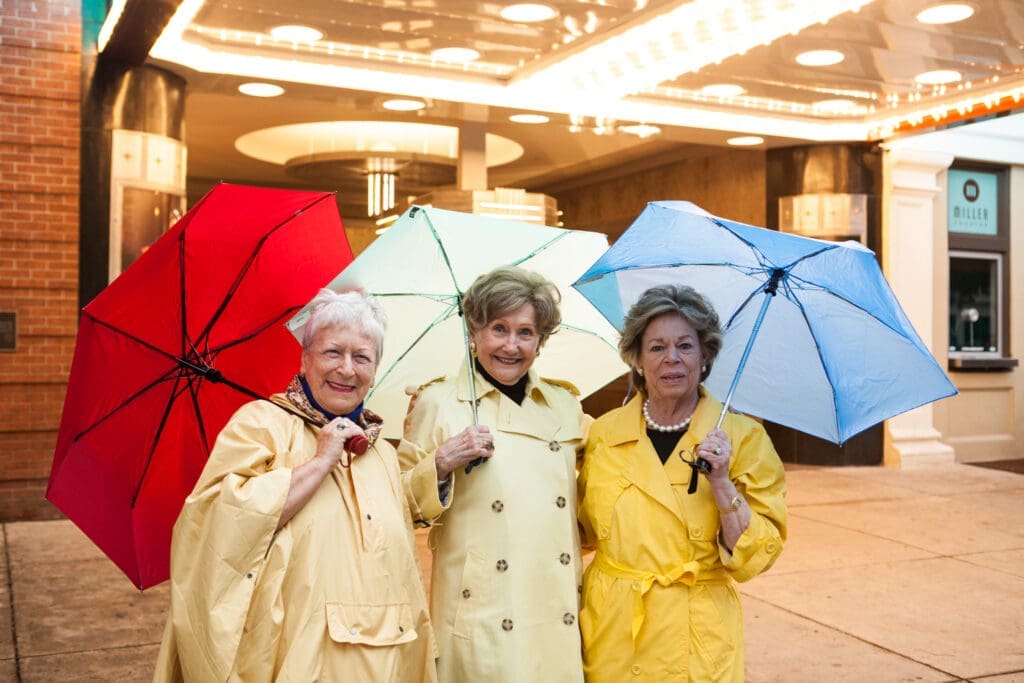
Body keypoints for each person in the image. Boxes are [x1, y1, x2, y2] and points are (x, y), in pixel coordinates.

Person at [153, 289, 437, 683]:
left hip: (387, 659)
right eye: (333, 352)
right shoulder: (259, 424)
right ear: (305, 359)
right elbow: (216, 524)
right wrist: (319, 463)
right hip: (296, 656)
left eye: (362, 357)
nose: (347, 369)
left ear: (375, 370)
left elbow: (400, 558)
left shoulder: (381, 451)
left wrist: (438, 467)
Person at [577, 284, 787, 682]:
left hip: (696, 636)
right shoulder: (604, 433)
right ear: (638, 358)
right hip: (612, 629)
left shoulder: (744, 438)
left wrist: (722, 483)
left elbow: (754, 557)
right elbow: (579, 531)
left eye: (685, 346)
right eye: (657, 347)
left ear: (704, 355)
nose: (671, 358)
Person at [399, 266, 588, 682]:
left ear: (541, 341)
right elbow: (399, 506)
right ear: (474, 331)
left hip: (553, 607)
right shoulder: (437, 402)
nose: (511, 345)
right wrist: (441, 463)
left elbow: (588, 505)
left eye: (526, 332)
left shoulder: (565, 405)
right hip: (481, 611)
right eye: (499, 329)